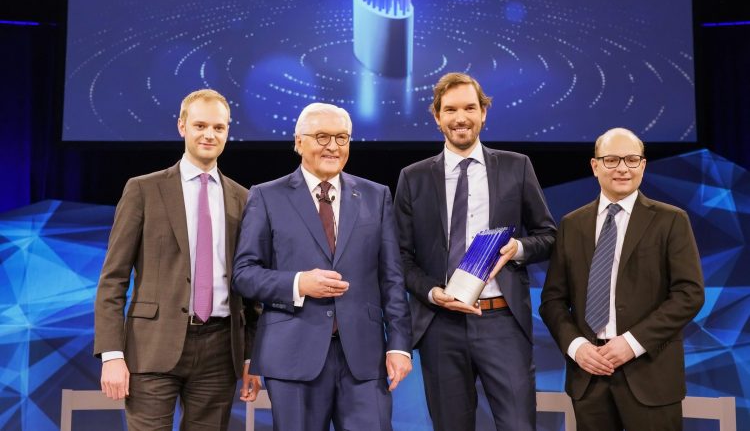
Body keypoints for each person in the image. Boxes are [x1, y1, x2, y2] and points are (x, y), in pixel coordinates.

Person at [232, 102, 413, 430]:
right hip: (291, 357)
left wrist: (399, 345)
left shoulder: (376, 196)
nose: (333, 146)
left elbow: (392, 278)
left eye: (342, 138)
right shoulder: (266, 196)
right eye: (322, 136)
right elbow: (244, 273)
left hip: (364, 357)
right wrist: (298, 284)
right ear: (298, 142)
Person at [394, 72, 556, 431]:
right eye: (450, 109)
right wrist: (433, 293)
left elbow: (548, 236)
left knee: (518, 426)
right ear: (437, 117)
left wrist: (516, 249)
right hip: (441, 326)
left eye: (470, 107)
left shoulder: (518, 166)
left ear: (484, 113)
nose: (460, 117)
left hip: (502, 322)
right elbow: (401, 258)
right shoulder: (413, 177)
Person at [94, 89, 261, 430]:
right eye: (200, 125)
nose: (209, 134)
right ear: (182, 127)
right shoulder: (143, 189)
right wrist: (112, 354)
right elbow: (113, 278)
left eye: (218, 127)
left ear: (228, 131)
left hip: (220, 350)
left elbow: (250, 287)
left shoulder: (244, 198)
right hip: (151, 347)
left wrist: (250, 356)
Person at [539, 127, 705, 430]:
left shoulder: (671, 220)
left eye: (631, 159)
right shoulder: (571, 224)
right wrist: (577, 346)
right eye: (612, 159)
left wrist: (632, 343)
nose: (622, 168)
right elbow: (552, 300)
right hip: (589, 376)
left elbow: (689, 294)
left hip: (649, 374)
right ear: (595, 166)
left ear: (642, 165)